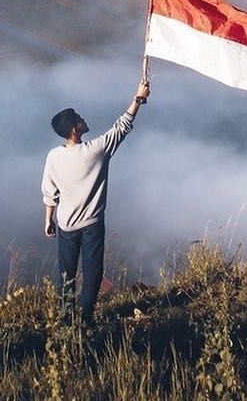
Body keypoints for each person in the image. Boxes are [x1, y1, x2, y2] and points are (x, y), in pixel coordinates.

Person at [41, 77, 151, 325]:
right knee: (92, 273)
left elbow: (50, 192)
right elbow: (122, 125)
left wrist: (48, 220)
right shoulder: (96, 151)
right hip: (91, 225)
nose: (84, 119)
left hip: (67, 225)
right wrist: (139, 98)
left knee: (66, 273)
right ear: (74, 129)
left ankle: (65, 319)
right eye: (80, 119)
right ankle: (86, 317)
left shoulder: (54, 157)